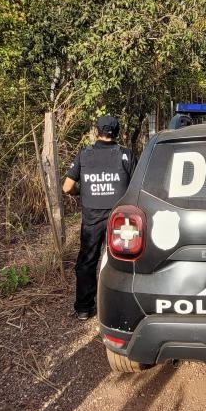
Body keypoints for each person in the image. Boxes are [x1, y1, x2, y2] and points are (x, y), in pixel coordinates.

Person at [62, 114, 134, 320]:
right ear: (117, 133)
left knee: (87, 260)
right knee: (123, 261)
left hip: (92, 217)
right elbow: (136, 187)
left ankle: (84, 308)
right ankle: (122, 308)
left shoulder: (85, 154)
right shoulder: (126, 155)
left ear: (96, 131)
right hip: (120, 218)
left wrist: (81, 191)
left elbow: (66, 187)